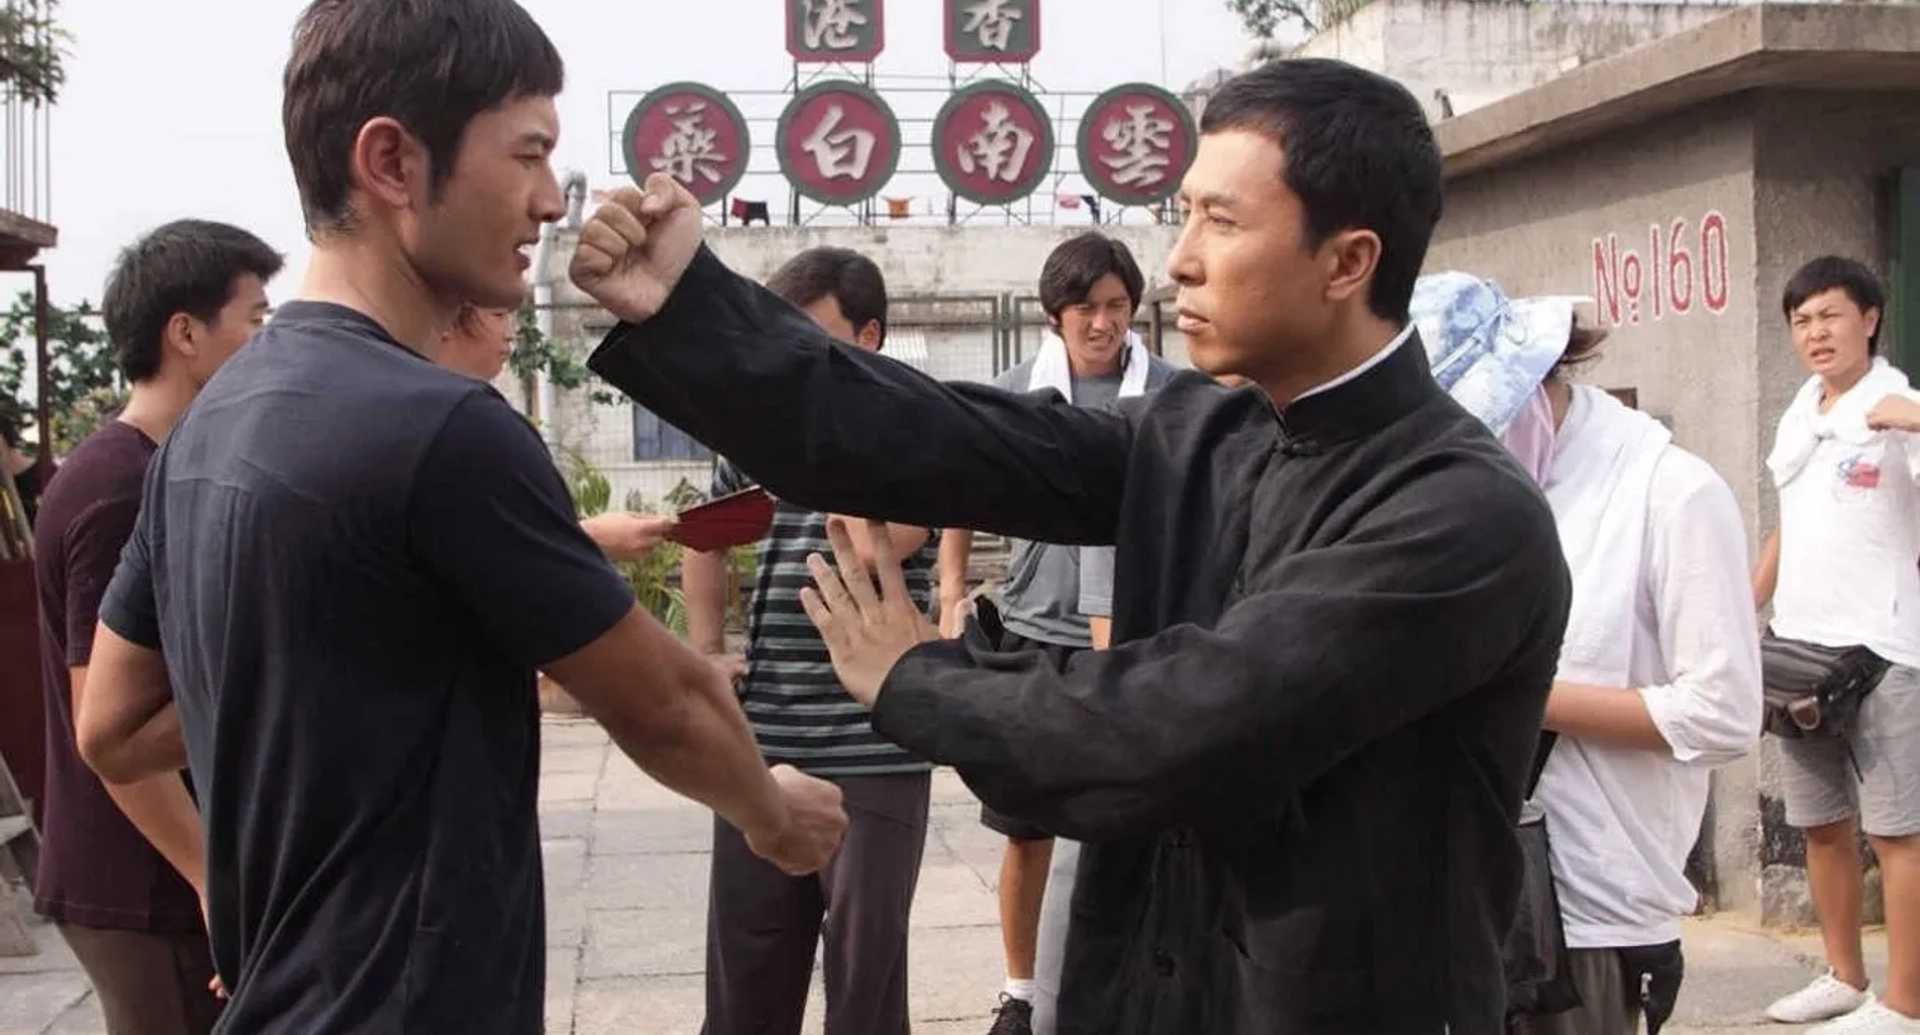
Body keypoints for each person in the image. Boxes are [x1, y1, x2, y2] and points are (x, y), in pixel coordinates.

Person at [573, 57, 1575, 1033]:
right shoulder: (1201, 434)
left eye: (1221, 221)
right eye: (1184, 213)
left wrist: (921, 679)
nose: (1178, 258)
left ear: (1347, 261)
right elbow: (937, 434)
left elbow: (1191, 720)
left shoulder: (1459, 515)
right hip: (1143, 990)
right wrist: (691, 307)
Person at [71, 0, 846, 1035]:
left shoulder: (211, 422)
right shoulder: (439, 427)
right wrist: (771, 812)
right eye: (526, 152)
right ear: (392, 161)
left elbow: (110, 728)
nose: (547, 197)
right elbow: (662, 701)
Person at [1410, 272, 1763, 1035]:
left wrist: (1516, 693)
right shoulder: (1467, 493)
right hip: (1458, 885)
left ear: (1539, 381)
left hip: (1589, 917)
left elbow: (1726, 712)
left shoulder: (1669, 492)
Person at [34, 220, 282, 1035]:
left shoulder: (162, 466)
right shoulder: (117, 487)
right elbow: (103, 720)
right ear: (186, 333)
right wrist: (210, 877)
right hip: (141, 878)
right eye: (254, 318)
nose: (266, 339)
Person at [683, 247, 937, 1035]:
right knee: (748, 966)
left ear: (869, 336)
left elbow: (885, 542)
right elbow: (702, 536)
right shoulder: (756, 434)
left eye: (811, 335)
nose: (788, 354)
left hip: (876, 740)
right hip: (767, 740)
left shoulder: (916, 430)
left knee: (863, 976)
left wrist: (835, 438)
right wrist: (705, 651)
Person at [934, 231, 1176, 1035]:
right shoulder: (1016, 391)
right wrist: (949, 588)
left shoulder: (1171, 396)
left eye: (1117, 306)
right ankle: (1021, 983)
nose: (1104, 323)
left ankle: (1128, 972)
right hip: (1036, 630)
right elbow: (963, 487)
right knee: (1027, 825)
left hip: (1135, 635)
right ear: (1054, 315)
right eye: (1087, 308)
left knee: (1127, 819)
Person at [1754, 256, 1920, 1034]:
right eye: (1801, 320)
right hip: (1799, 649)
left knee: (1898, 832)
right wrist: (1743, 604)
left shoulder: (1898, 403)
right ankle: (1844, 976)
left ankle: (1906, 1001)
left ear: (1870, 317)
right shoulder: (1802, 411)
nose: (1815, 333)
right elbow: (1794, 522)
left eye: (1830, 314)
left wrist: (1911, 419)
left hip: (1884, 649)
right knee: (1821, 824)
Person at [434, 302, 677, 561]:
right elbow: (470, 545)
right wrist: (589, 537)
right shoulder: (459, 423)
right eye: (498, 315)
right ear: (448, 321)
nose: (510, 333)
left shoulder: (453, 411)